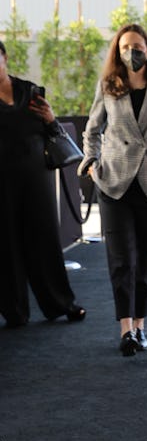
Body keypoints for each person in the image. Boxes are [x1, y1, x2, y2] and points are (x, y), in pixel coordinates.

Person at [79, 24, 147, 356]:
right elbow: (92, 129)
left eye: (137, 46)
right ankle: (126, 329)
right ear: (117, 52)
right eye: (125, 47)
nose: (131, 53)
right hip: (114, 183)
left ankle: (141, 325)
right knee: (121, 259)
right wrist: (92, 161)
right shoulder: (108, 87)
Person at [0, 39, 86, 327]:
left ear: (5, 58)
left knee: (45, 240)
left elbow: (51, 130)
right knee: (7, 245)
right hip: (3, 184)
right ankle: (15, 311)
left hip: (38, 178)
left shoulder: (29, 91)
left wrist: (50, 118)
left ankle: (61, 304)